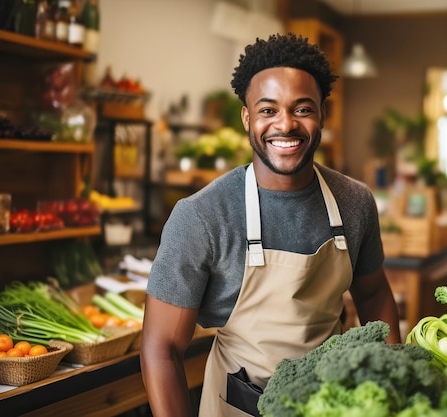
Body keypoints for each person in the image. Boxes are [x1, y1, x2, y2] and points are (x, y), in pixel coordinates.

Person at [140, 33, 402, 417]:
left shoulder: (353, 202)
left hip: (333, 403)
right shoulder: (202, 216)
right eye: (267, 110)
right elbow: (161, 347)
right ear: (247, 117)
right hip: (240, 406)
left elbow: (375, 296)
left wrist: (395, 386)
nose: (285, 124)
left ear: (322, 115)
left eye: (302, 109)